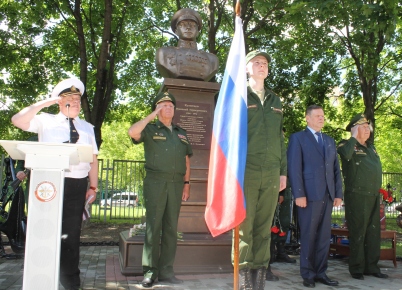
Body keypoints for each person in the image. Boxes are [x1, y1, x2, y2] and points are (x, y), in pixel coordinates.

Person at [11, 78, 99, 290]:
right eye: (70, 99)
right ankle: (41, 280)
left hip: (77, 185)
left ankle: (70, 283)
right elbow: (17, 120)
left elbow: (93, 159)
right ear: (59, 102)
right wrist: (45, 102)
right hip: (48, 184)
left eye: (78, 99)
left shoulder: (87, 127)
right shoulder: (45, 120)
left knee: (70, 236)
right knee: (43, 232)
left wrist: (93, 187)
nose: (76, 103)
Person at [128, 91, 192, 288]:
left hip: (176, 184)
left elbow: (186, 160)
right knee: (153, 228)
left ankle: (166, 271)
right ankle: (149, 272)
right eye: (163, 105)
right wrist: (151, 116)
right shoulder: (149, 128)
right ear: (157, 109)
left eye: (171, 106)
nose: (168, 108)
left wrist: (187, 184)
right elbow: (132, 132)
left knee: (171, 229)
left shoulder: (181, 133)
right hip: (156, 182)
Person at [234, 50, 287, 290]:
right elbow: (231, 135)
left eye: (265, 63)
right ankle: (244, 275)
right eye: (256, 62)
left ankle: (259, 276)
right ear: (247, 68)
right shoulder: (239, 96)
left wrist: (283, 171)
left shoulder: (276, 100)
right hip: (248, 169)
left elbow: (280, 138)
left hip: (271, 170)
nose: (261, 66)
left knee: (264, 227)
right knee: (245, 225)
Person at [287, 105, 343, 288]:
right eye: (318, 116)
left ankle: (321, 272)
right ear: (307, 118)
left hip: (327, 196)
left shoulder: (329, 141)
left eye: (323, 116)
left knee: (323, 237)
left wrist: (338, 194)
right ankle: (308, 274)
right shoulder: (298, 138)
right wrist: (299, 194)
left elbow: (336, 171)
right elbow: (294, 168)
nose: (321, 119)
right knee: (309, 236)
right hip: (308, 196)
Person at [337, 114, 387, 280]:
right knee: (358, 232)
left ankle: (372, 266)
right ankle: (357, 268)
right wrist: (352, 137)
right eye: (364, 127)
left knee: (373, 233)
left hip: (373, 195)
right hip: (357, 195)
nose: (368, 130)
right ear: (355, 128)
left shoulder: (371, 147)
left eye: (368, 127)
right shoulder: (347, 144)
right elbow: (345, 154)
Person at [155, 8, 219, 81]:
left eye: (193, 25)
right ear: (176, 31)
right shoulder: (163, 53)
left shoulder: (212, 60)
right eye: (183, 24)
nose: (188, 27)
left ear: (197, 32)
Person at [14, 135, 38, 206]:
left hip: (55, 178)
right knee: (31, 206)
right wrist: (19, 171)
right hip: (32, 179)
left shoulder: (59, 138)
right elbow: (21, 161)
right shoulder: (32, 140)